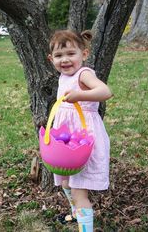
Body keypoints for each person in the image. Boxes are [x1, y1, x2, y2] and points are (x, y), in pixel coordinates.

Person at [47, 29, 113, 231]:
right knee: (66, 182)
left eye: (70, 54)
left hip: (83, 140)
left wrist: (80, 96)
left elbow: (105, 91)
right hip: (67, 141)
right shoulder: (63, 76)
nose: (64, 60)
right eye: (59, 55)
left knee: (78, 190)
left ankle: (85, 226)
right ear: (51, 59)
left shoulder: (83, 74)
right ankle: (77, 214)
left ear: (83, 54)